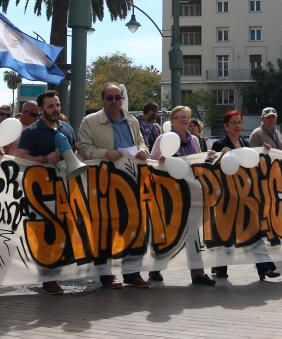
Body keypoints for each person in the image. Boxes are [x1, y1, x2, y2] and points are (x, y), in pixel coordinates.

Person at [76, 83, 150, 289]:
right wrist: (106, 153)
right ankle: (105, 275)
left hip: (131, 181)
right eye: (110, 98)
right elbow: (83, 148)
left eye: (118, 98)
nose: (115, 102)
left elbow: (142, 142)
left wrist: (143, 151)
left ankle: (132, 273)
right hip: (103, 182)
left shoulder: (132, 121)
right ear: (102, 100)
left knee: (133, 228)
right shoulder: (89, 122)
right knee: (105, 229)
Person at [15, 90, 76, 295]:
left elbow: (75, 152)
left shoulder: (66, 128)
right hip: (41, 192)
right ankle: (48, 278)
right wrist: (44, 160)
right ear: (41, 109)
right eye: (51, 106)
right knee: (47, 233)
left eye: (58, 105)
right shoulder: (31, 132)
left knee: (64, 230)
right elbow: (21, 158)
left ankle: (56, 272)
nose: (56, 109)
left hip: (64, 188)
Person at [209, 110, 280, 281]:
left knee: (254, 229)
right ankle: (219, 266)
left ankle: (264, 267)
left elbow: (253, 162)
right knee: (225, 234)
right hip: (226, 197)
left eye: (239, 122)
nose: (237, 126)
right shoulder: (219, 144)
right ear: (226, 126)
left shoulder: (245, 143)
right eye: (233, 123)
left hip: (245, 197)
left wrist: (264, 151)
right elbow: (210, 167)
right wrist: (220, 157)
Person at [149, 106, 213, 286]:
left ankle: (198, 273)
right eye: (180, 118)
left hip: (190, 193)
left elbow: (197, 163)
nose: (184, 121)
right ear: (172, 120)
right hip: (168, 193)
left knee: (193, 231)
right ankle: (155, 268)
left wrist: (207, 156)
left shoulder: (193, 140)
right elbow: (151, 163)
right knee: (168, 231)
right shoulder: (163, 139)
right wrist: (160, 161)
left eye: (187, 118)